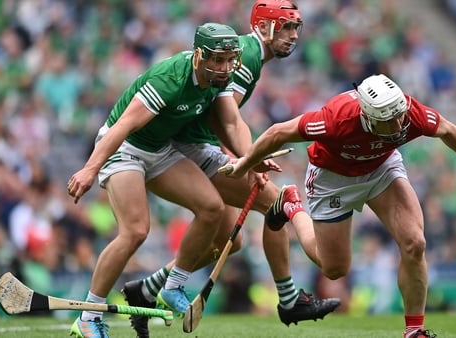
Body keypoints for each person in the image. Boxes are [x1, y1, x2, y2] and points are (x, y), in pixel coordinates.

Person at [224, 73, 456, 338]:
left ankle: (414, 331)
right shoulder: (336, 118)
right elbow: (278, 132)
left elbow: (448, 130)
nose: (399, 125)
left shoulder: (408, 112)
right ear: (368, 116)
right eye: (388, 121)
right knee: (334, 268)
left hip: (381, 169)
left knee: (415, 243)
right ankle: (291, 206)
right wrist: (246, 163)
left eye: (399, 116)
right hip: (332, 178)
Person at [121, 2, 340, 337]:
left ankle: (147, 290)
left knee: (228, 242)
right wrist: (246, 158)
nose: (293, 36)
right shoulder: (246, 56)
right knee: (280, 203)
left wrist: (247, 156)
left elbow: (224, 115)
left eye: (296, 28)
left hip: (196, 146)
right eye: (286, 27)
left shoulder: (250, 55)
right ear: (264, 26)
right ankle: (289, 299)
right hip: (194, 148)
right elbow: (221, 117)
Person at [66, 22, 246, 338]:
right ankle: (87, 316)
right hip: (123, 148)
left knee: (212, 208)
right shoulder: (171, 78)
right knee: (135, 231)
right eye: (218, 59)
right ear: (199, 55)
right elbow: (122, 126)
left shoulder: (219, 80)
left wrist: (251, 157)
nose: (225, 66)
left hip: (160, 150)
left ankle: (172, 285)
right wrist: (90, 169)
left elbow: (229, 123)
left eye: (230, 59)